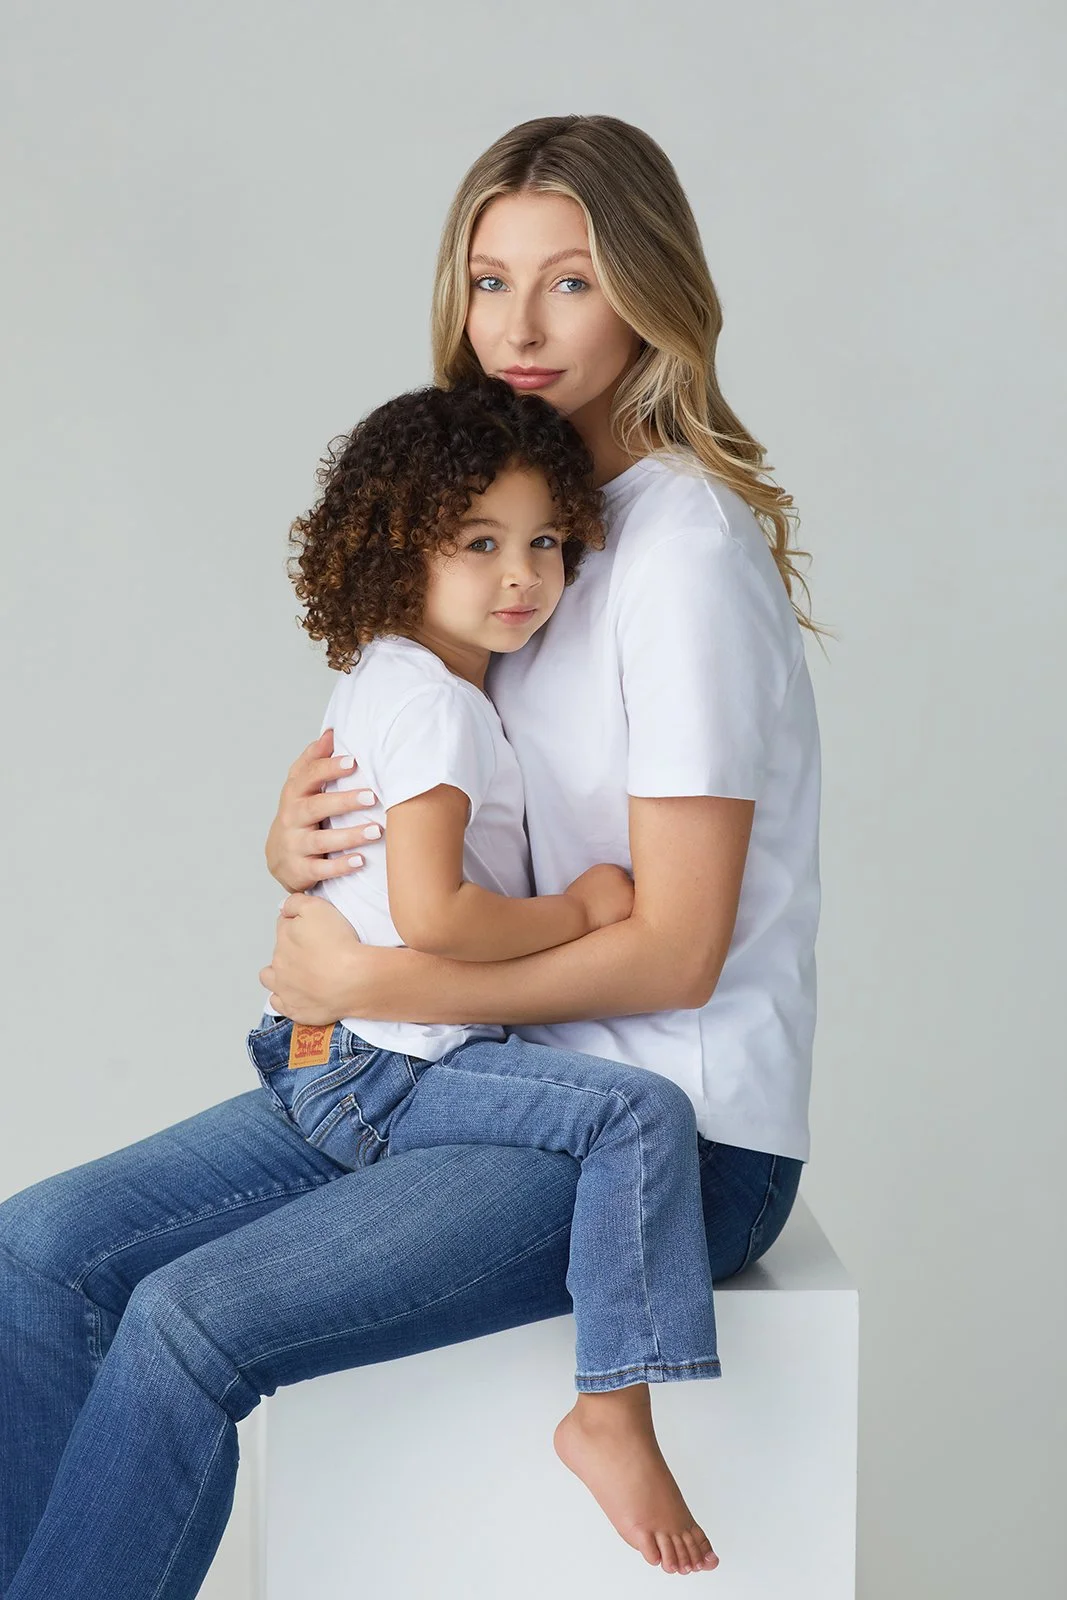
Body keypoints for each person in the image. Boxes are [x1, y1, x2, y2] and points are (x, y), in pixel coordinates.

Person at [0, 114, 820, 1596]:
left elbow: (678, 947)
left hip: (661, 1131)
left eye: (568, 281)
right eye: (486, 279)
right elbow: (441, 762)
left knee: (189, 1322)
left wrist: (381, 971)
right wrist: (295, 834)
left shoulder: (681, 553)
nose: (516, 325)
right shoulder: (525, 522)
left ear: (647, 291)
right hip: (459, 1071)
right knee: (38, 1252)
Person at [247, 373, 723, 1570]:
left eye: (545, 543)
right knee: (635, 1114)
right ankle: (610, 1411)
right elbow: (436, 916)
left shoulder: (391, 677)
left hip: (331, 1048)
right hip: (381, 1067)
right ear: (394, 545)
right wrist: (572, 909)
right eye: (479, 544)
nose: (522, 576)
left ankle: (610, 1407)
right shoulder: (442, 711)